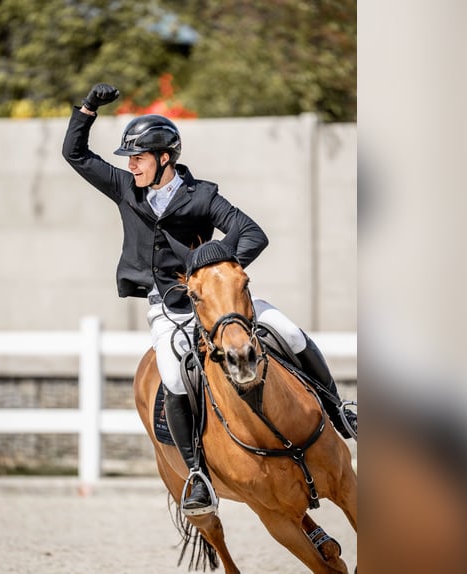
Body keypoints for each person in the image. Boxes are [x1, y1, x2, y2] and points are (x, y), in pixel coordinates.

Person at [62, 83, 357, 513]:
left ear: (165, 158)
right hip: (168, 308)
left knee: (288, 332)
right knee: (175, 373)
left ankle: (338, 409)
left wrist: (214, 273)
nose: (132, 165)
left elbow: (253, 232)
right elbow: (76, 155)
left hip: (220, 305)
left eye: (139, 157)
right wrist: (88, 108)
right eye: (130, 159)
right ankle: (198, 473)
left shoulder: (201, 196)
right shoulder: (127, 189)